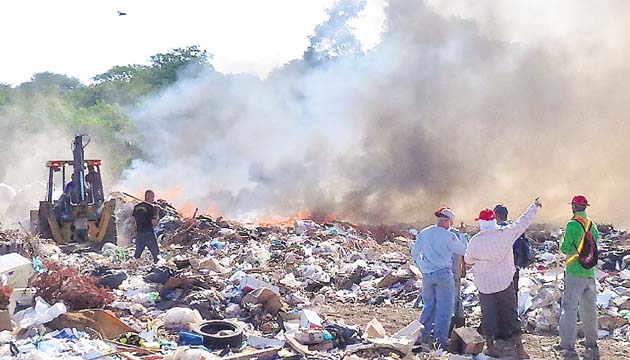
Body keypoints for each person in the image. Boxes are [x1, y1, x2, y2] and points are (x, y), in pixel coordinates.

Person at [465, 198, 541, 359]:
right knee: (511, 313)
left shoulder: (475, 241)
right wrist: (533, 206)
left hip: (485, 285)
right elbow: (523, 222)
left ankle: (490, 347)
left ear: (481, 223)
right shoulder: (505, 234)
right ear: (494, 220)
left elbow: (468, 260)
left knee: (488, 314)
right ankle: (519, 348)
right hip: (504, 282)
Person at [411, 206, 466, 349]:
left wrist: (421, 266)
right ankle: (440, 341)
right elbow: (463, 250)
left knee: (428, 306)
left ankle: (422, 337)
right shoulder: (449, 236)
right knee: (445, 308)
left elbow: (415, 252)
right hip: (443, 274)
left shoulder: (425, 232)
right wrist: (463, 236)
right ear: (448, 221)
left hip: (427, 275)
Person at [558, 194, 599, 359]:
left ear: (574, 206)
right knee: (589, 309)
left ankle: (567, 345)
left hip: (574, 272)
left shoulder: (572, 224)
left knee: (569, 309)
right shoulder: (592, 225)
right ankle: (591, 342)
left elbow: (566, 248)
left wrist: (561, 242)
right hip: (589, 272)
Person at [493, 204, 533, 339]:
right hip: (514, 269)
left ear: (496, 216)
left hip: (499, 271)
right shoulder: (514, 229)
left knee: (497, 298)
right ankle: (512, 328)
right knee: (511, 298)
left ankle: (499, 329)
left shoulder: (496, 230)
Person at [132, 190, 160, 263]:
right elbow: (153, 222)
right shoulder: (151, 208)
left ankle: (132, 266)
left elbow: (133, 221)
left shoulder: (137, 207)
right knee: (156, 254)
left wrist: (135, 231)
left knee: (137, 254)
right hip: (148, 233)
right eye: (152, 196)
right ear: (149, 196)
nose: (153, 198)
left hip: (139, 233)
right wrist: (157, 213)